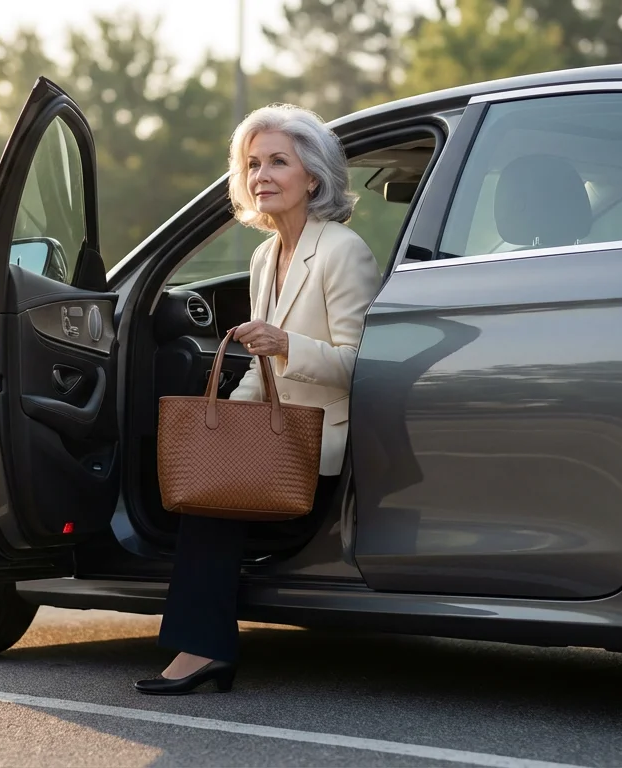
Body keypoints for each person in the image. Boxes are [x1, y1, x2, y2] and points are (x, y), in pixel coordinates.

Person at [135, 104, 381, 695]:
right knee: (207, 477)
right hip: (277, 436)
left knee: (211, 509)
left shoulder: (343, 251)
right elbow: (263, 369)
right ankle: (205, 647)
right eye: (251, 164)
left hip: (322, 442)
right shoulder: (263, 257)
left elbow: (363, 368)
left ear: (313, 178)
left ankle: (202, 651)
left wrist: (286, 343)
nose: (260, 175)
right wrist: (227, 428)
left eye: (277, 161)